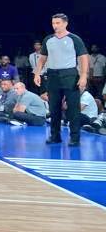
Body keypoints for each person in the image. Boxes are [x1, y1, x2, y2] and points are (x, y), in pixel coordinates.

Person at [33, 13, 89, 146]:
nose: (55, 26)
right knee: (54, 108)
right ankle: (54, 136)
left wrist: (83, 76)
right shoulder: (48, 39)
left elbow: (83, 57)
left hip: (70, 75)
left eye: (58, 23)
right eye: (53, 23)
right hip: (52, 76)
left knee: (73, 108)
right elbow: (42, 58)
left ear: (65, 23)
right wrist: (37, 73)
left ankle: (75, 138)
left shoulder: (74, 39)